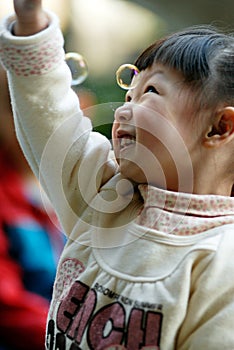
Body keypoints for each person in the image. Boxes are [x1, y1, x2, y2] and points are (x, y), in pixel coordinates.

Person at [0, 1, 234, 349]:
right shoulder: (105, 197)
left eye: (151, 92)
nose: (124, 109)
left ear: (219, 127)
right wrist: (32, 28)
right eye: (128, 94)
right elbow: (50, 119)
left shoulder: (221, 261)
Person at [0, 62, 65, 348]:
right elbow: (7, 306)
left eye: (43, 108)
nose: (30, 122)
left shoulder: (76, 180)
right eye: (15, 109)